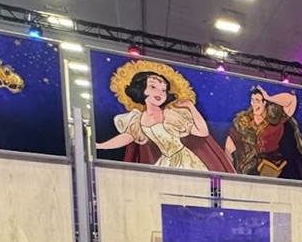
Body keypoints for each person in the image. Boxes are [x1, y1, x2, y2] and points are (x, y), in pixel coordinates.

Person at [96, 63, 233, 172]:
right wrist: (101, 146)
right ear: (141, 89)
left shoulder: (171, 115)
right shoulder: (137, 119)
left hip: (185, 161)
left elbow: (202, 132)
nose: (160, 92)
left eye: (163, 89)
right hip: (166, 163)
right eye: (153, 87)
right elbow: (128, 136)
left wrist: (191, 107)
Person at [224, 86, 302, 180]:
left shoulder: (274, 121)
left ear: (264, 103)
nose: (254, 104)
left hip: (271, 166)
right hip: (247, 167)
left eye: (257, 100)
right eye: (252, 100)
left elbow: (292, 100)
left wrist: (269, 97)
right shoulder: (244, 121)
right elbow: (229, 144)